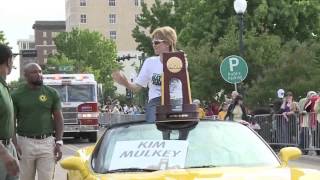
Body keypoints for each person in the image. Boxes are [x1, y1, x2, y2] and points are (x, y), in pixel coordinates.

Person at [112, 26, 180, 122]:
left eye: (156, 42)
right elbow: (136, 87)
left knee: (178, 127)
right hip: (156, 101)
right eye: (152, 43)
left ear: (168, 43)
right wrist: (125, 82)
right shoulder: (150, 62)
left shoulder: (180, 60)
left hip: (175, 100)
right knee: (153, 128)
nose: (153, 45)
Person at [11, 63, 63, 180]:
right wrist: (14, 143)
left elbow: (58, 118)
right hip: (24, 143)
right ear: (25, 76)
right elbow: (11, 121)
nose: (39, 75)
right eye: (34, 72)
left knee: (47, 178)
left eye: (40, 71)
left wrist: (59, 142)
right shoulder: (16, 95)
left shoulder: (52, 93)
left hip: (47, 143)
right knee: (25, 178)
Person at [0, 44, 20, 180]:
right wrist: (3, 153)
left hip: (8, 147)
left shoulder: (4, 86)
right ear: (8, 61)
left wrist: (13, 145)